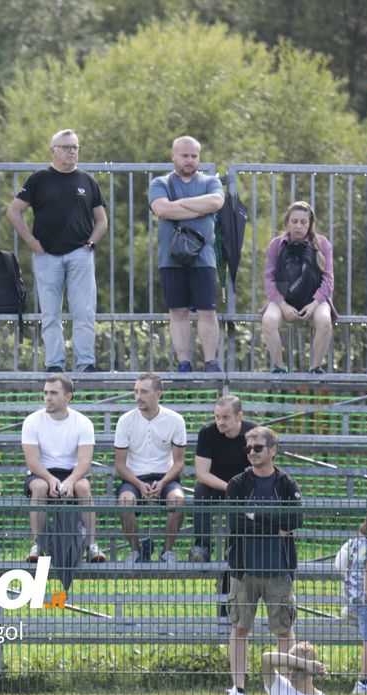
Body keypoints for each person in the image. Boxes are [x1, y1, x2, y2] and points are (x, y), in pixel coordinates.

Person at [5, 129, 107, 373]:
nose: (72, 151)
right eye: (66, 147)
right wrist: (32, 243)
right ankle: (54, 364)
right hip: (46, 256)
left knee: (83, 311)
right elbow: (13, 211)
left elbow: (102, 221)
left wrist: (90, 245)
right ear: (53, 151)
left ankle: (85, 363)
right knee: (50, 314)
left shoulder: (87, 180)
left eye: (75, 147)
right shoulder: (39, 179)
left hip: (80, 255)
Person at [221, 426, 304, 695]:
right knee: (239, 629)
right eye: (248, 448)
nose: (252, 453)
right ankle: (238, 691)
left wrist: (254, 516)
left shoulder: (286, 484)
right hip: (245, 570)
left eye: (257, 448)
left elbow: (294, 522)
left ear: (273, 450)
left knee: (283, 630)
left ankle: (285, 692)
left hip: (279, 570)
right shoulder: (237, 484)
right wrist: (273, 523)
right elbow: (235, 523)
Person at [148, 136, 225, 373]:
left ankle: (211, 362)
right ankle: (184, 363)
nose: (190, 160)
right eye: (184, 155)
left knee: (207, 311)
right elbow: (161, 208)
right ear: (173, 156)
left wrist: (178, 207)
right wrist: (198, 209)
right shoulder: (159, 183)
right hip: (170, 258)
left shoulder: (211, 181)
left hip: (204, 258)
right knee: (178, 311)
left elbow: (216, 202)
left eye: (194, 155)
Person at [22, 374, 106, 563]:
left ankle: (91, 546)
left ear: (68, 397)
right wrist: (51, 479)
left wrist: (70, 481)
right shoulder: (32, 421)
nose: (47, 398)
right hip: (41, 473)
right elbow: (32, 461)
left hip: (72, 472)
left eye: (53, 393)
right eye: (45, 393)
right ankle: (38, 545)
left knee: (83, 488)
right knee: (40, 487)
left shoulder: (83, 422)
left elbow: (85, 462)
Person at [113, 373, 187, 563]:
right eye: (136, 391)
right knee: (124, 502)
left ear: (158, 394)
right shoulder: (125, 420)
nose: (138, 396)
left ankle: (166, 551)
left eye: (144, 391)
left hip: (166, 477)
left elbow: (178, 462)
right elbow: (120, 464)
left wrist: (162, 483)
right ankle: (136, 552)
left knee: (178, 501)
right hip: (134, 477)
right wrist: (139, 484)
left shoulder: (175, 420)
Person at [261, 201, 337, 374]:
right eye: (294, 221)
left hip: (314, 299)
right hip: (282, 299)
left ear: (310, 224)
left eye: (303, 222)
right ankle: (279, 368)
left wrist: (315, 303)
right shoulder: (276, 244)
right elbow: (268, 280)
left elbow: (328, 279)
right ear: (287, 223)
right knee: (268, 321)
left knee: (325, 322)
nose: (298, 226)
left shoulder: (322, 244)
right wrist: (282, 304)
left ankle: (315, 368)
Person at [192, 395, 257, 562]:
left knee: (244, 496)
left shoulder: (254, 434)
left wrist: (236, 487)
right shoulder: (207, 432)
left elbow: (262, 469)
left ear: (239, 416)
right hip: (214, 484)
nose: (220, 422)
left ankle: (234, 547)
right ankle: (202, 547)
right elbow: (202, 474)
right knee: (200, 491)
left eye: (226, 417)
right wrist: (228, 486)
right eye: (217, 417)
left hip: (243, 484)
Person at [342, 512, 367, 695]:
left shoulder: (357, 541)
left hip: (350, 594)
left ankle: (365, 681)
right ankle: (364, 682)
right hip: (364, 598)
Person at [259, 643, 333, 695]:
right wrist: (305, 664)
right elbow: (266, 659)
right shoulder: (280, 687)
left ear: (311, 671)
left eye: (298, 669)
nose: (292, 673)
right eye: (290, 668)